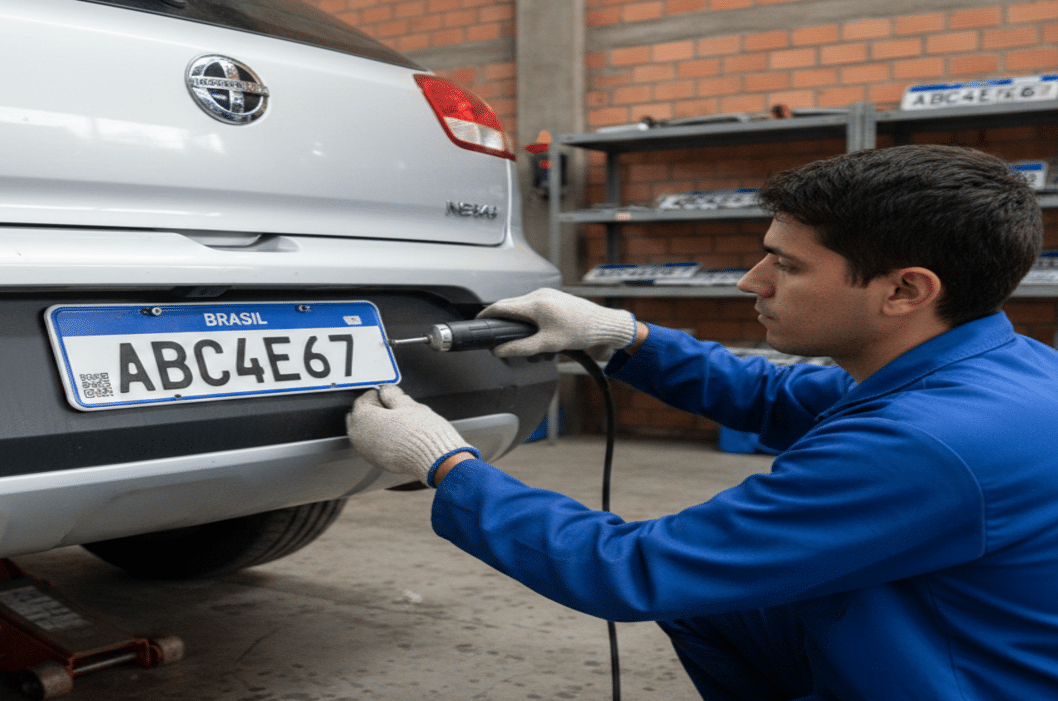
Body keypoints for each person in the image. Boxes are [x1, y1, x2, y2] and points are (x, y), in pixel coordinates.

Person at [346, 144, 1058, 700]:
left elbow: (631, 571)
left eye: (786, 265)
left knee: (697, 585)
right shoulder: (998, 366)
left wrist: (447, 466)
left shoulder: (925, 443)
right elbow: (779, 398)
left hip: (980, 683)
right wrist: (622, 338)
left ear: (905, 290)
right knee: (724, 606)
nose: (753, 282)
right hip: (980, 632)